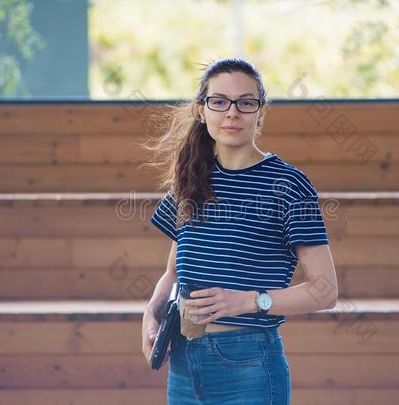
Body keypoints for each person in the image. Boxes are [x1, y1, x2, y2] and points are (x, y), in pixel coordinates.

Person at [140, 57, 338, 405]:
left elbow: (326, 291)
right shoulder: (189, 179)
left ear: (261, 112)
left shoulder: (289, 184)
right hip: (184, 361)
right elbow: (173, 272)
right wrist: (152, 311)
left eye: (246, 103)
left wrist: (248, 300)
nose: (232, 113)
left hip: (250, 366)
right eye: (219, 102)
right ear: (201, 110)